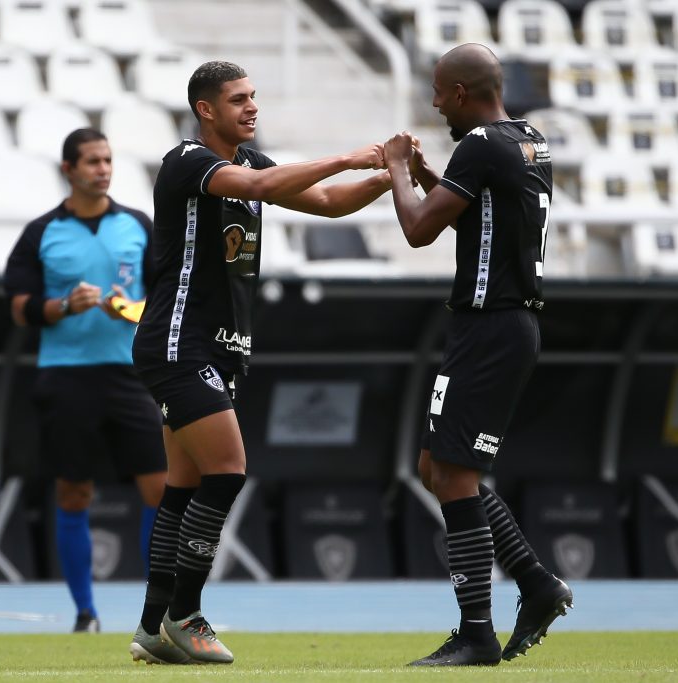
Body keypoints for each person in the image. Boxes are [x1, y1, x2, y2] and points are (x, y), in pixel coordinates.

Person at [127, 60, 391, 666]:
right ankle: (185, 615)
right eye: (238, 99)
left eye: (254, 97)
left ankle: (151, 628)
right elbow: (264, 189)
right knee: (227, 471)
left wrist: (390, 175)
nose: (251, 107)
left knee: (183, 486)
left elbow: (328, 203)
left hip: (215, 346)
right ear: (205, 110)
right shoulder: (189, 162)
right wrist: (349, 157)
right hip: (178, 341)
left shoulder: (249, 162)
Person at [383, 43, 573, 667]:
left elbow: (419, 230)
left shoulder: (480, 144)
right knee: (436, 466)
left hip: (489, 328)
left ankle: (476, 634)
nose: (436, 104)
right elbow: (476, 213)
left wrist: (397, 169)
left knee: (454, 476)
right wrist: (427, 173)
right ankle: (536, 584)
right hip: (503, 326)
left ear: (462, 92)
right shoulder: (528, 141)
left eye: (440, 93)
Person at [3, 128, 166, 633]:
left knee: (161, 490)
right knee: (74, 492)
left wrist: (129, 309)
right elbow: (20, 308)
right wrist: (63, 306)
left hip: (131, 374)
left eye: (108, 160)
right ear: (68, 169)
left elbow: (164, 300)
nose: (103, 169)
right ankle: (85, 614)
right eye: (93, 161)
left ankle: (159, 613)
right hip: (66, 376)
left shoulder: (137, 225)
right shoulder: (41, 232)